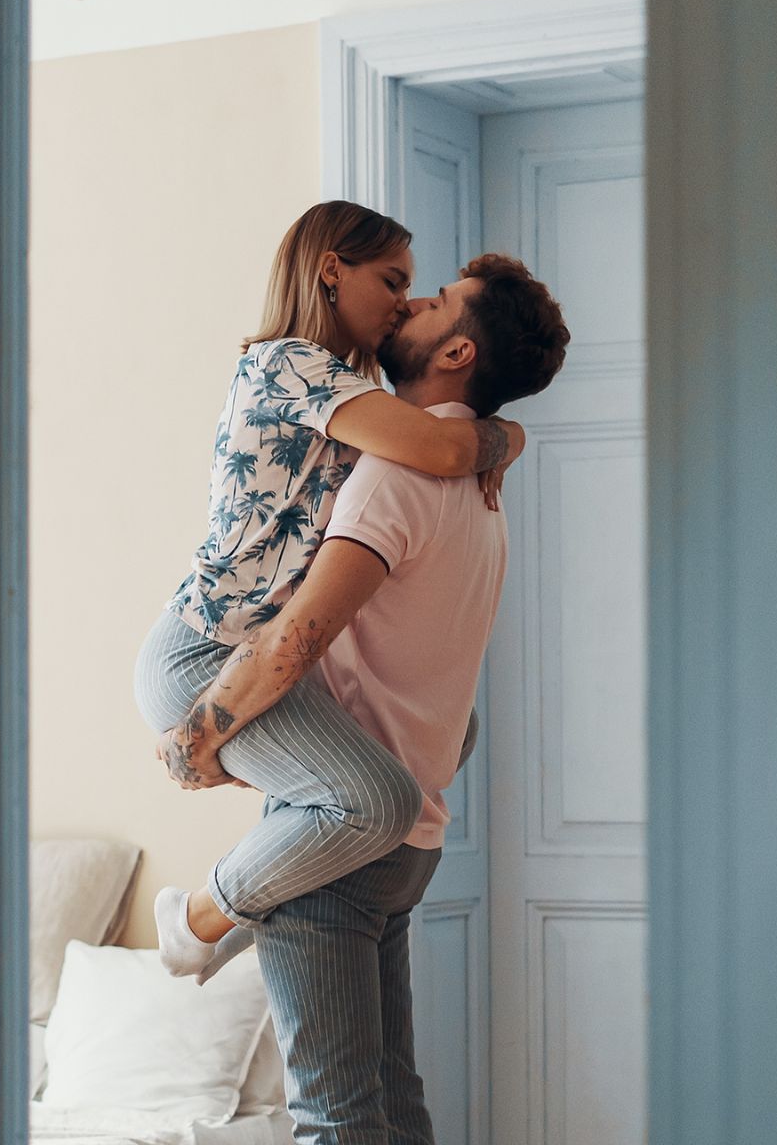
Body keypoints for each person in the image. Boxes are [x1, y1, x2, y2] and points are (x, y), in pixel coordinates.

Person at [152, 254, 569, 1141]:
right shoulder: (480, 490)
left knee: (337, 1119)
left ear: (457, 349)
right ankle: (206, 922)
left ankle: (201, 919)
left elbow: (297, 636)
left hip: (340, 848)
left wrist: (200, 734)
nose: (412, 302)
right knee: (388, 1100)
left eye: (436, 299)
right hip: (410, 838)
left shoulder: (395, 476)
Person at [131, 201, 529, 982]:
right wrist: (510, 435)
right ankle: (195, 922)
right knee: (378, 798)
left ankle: (251, 905)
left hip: (253, 652)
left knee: (452, 730)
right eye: (391, 280)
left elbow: (443, 446)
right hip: (202, 656)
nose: (403, 302)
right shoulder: (286, 364)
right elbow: (447, 446)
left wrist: (499, 438)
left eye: (414, 288)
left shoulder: (348, 394)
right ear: (329, 269)